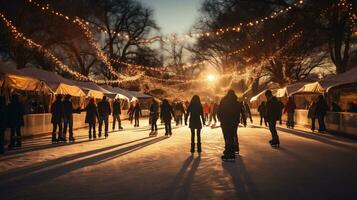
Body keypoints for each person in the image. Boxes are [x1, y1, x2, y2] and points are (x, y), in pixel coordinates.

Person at [217, 90, 245, 161]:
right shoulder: (236, 102)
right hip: (234, 122)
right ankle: (230, 151)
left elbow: (219, 110)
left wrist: (220, 118)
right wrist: (243, 120)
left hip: (225, 122)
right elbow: (241, 111)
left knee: (227, 136)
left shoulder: (224, 101)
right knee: (232, 136)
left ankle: (229, 153)